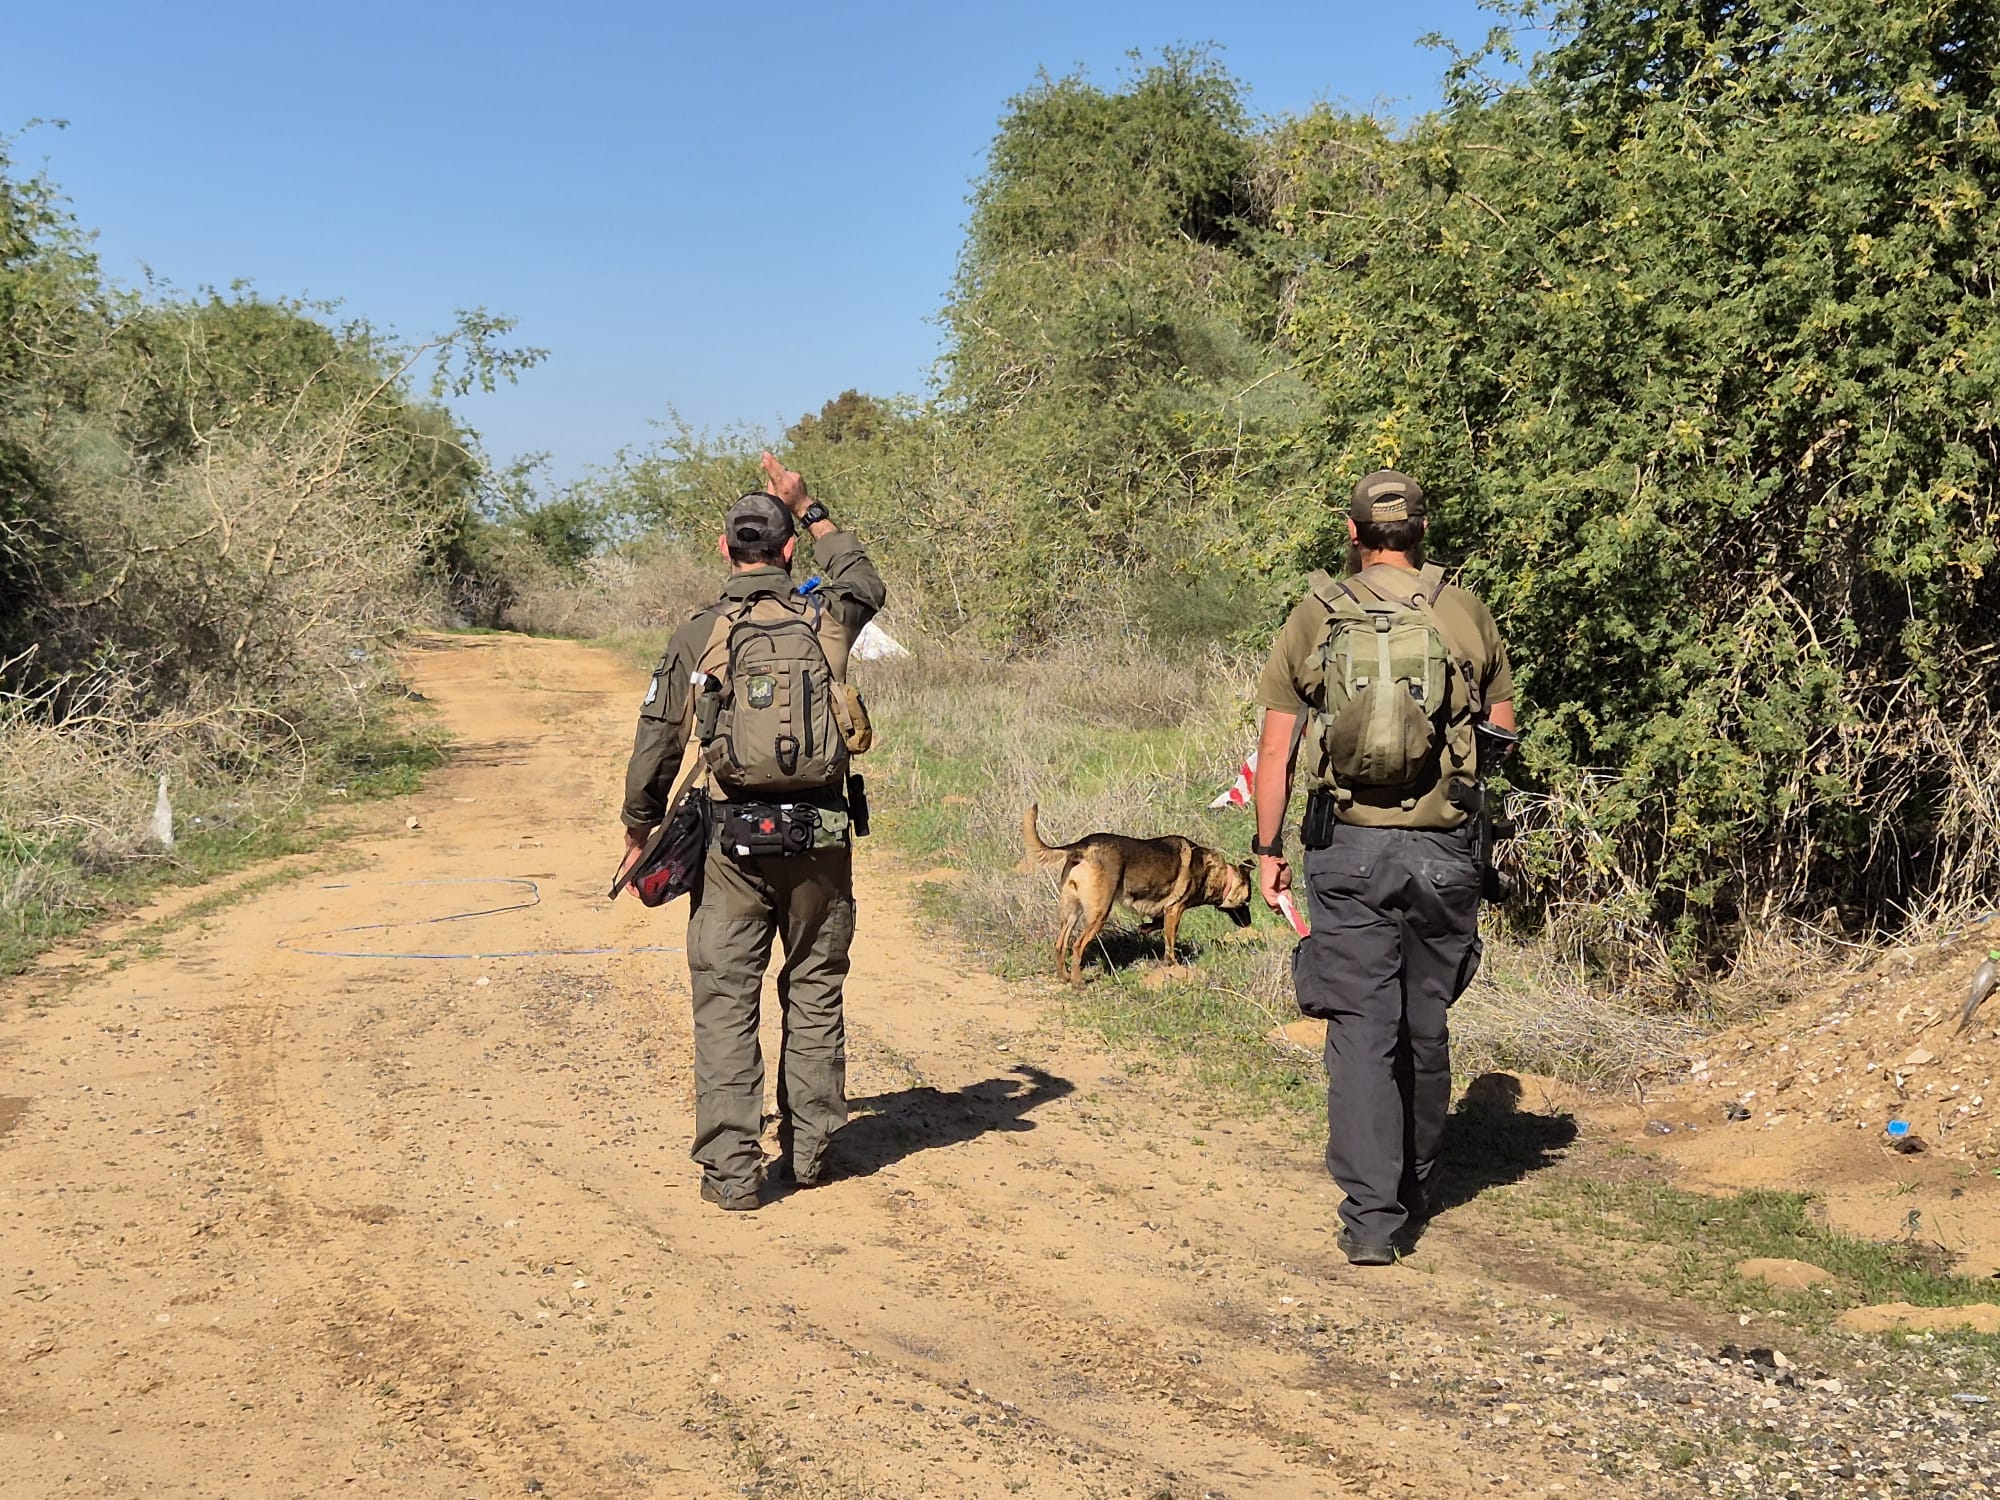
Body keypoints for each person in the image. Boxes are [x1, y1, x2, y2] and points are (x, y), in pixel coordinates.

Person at [1250, 469, 1516, 1266]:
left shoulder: (1316, 614)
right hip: (1442, 853)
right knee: (1425, 1021)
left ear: (1352, 530)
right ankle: (1419, 1184)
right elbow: (1501, 731)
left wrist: (1268, 852)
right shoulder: (1463, 610)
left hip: (1350, 850)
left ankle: (1372, 1219)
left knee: (1362, 1030)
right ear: (1423, 532)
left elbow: (1277, 747)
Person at [619, 452, 886, 1212]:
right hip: (823, 840)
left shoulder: (700, 631)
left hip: (729, 844)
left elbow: (657, 741)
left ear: (724, 549)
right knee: (814, 989)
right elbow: (867, 582)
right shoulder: (827, 618)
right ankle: (810, 1155)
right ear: (789, 549)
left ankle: (734, 1176)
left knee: (725, 1001)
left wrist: (640, 827)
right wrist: (810, 504)